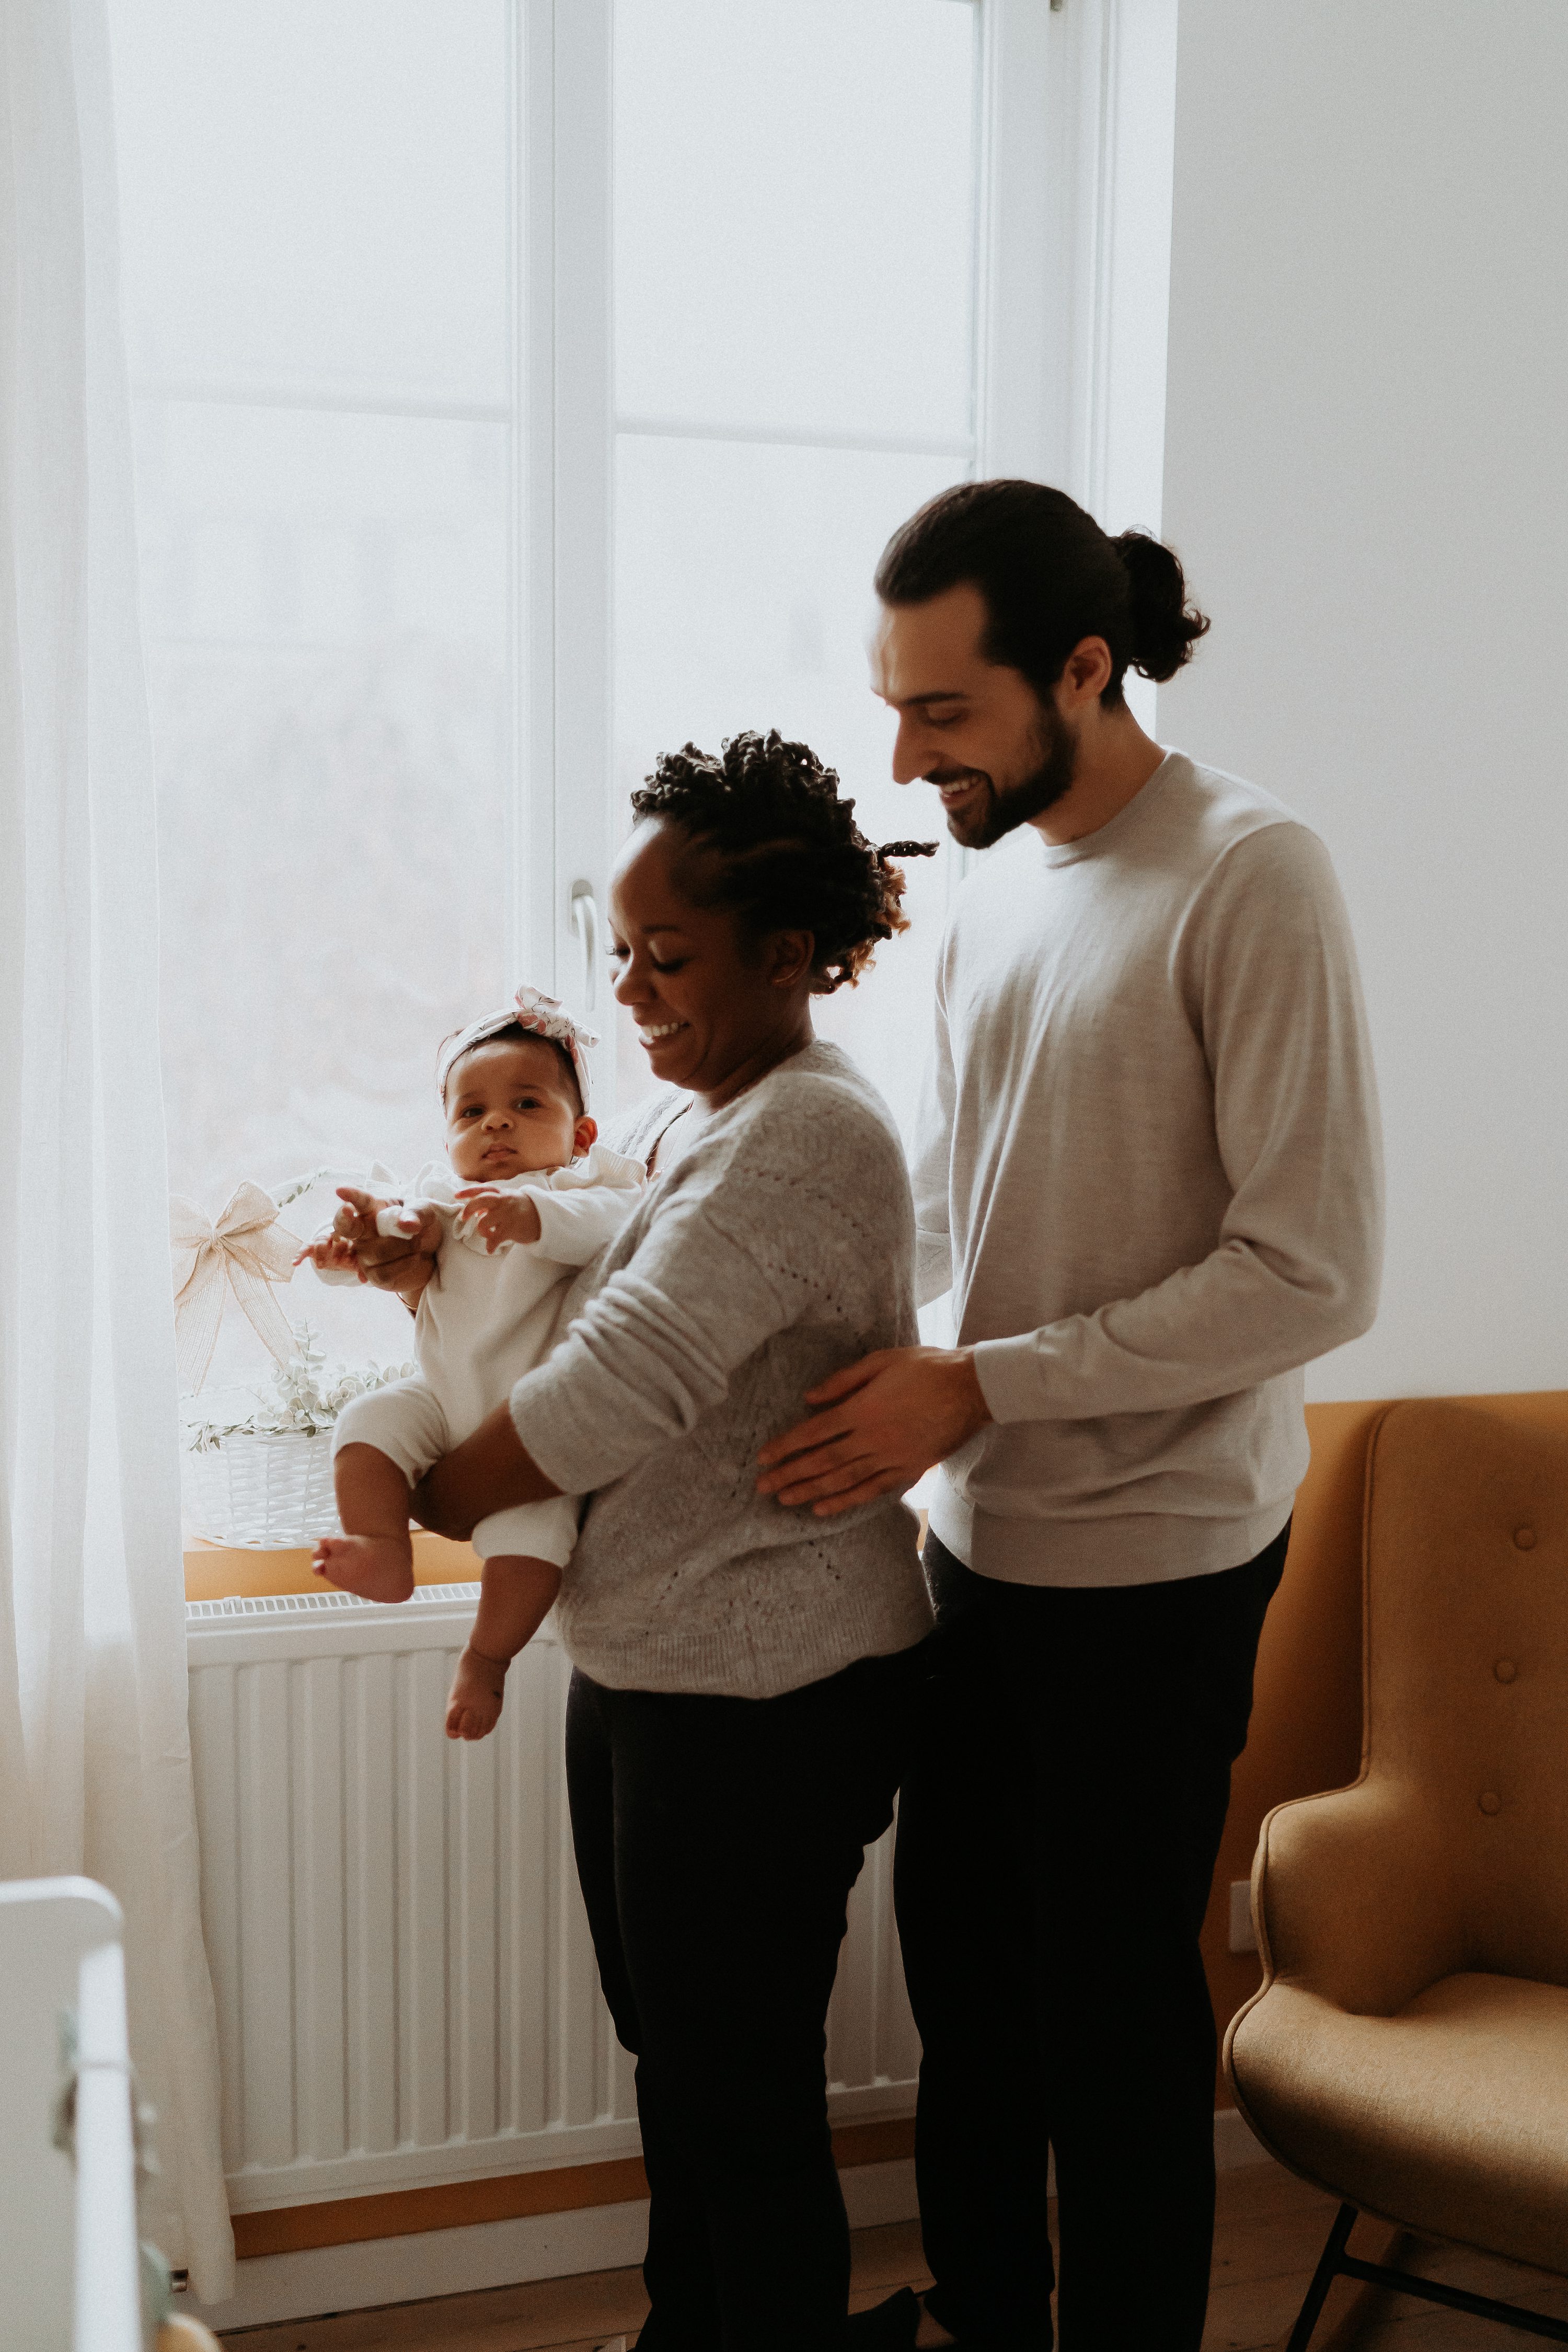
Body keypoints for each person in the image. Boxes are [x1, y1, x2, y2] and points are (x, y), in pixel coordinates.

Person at [757, 481, 1385, 2351]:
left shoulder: (1251, 871)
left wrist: (987, 1385)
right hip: (979, 1539)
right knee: (965, 1996)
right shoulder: (990, 886)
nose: (902, 753)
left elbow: (1314, 1272)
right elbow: (960, 1226)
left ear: (1088, 673)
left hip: (1162, 1556)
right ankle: (985, 2320)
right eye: (895, 701)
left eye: (945, 711)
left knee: (1113, 2021)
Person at [354, 730, 938, 2352]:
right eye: (621, 951)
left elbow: (620, 1385)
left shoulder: (804, 1129)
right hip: (659, 1655)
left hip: (768, 1678)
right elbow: (559, 1304)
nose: (628, 991)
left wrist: (415, 1489)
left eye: (666, 956)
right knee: (676, 2051)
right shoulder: (702, 1120)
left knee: (730, 2073)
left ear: (788, 951)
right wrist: (422, 1270)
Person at [298, 987, 644, 1737]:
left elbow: (625, 1223)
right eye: (471, 1112)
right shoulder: (444, 1199)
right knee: (367, 1422)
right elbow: (395, 1232)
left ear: (580, 1134)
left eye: (527, 1105)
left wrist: (536, 1212)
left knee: (531, 1544)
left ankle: (486, 1661)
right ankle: (383, 1548)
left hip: (531, 1419)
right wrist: (349, 1245)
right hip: (443, 1395)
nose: (497, 1123)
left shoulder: (586, 1185)